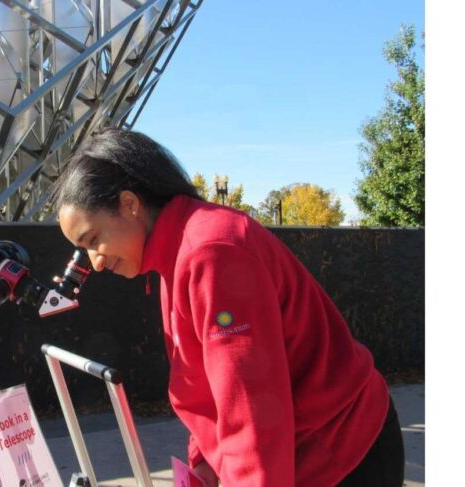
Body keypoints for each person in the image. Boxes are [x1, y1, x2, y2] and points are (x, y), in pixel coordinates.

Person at [52, 128, 405, 486]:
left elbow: (251, 411)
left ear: (129, 204)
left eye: (93, 239)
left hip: (341, 453)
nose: (95, 262)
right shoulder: (177, 251)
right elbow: (205, 382)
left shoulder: (210, 252)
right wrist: (204, 460)